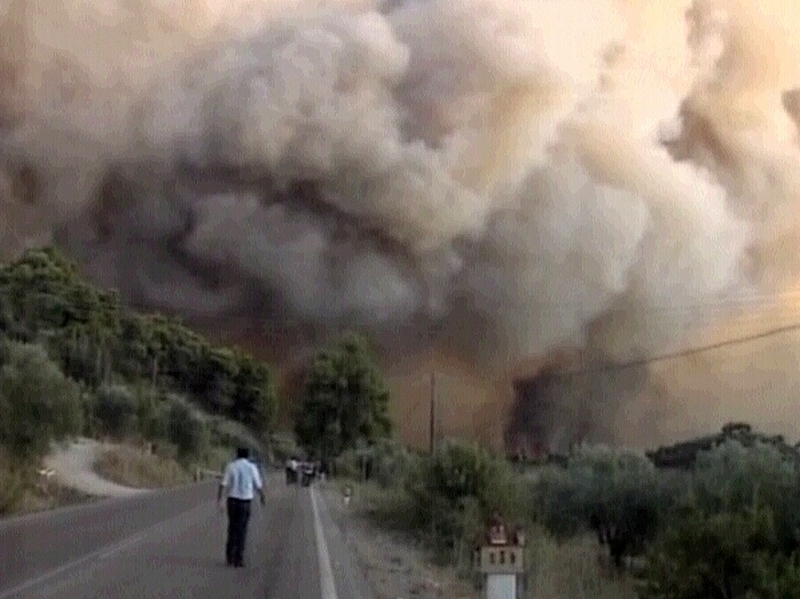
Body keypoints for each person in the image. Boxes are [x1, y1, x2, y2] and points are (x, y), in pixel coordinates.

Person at [218, 447, 266, 567]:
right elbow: (258, 485)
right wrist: (262, 497)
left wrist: (220, 499)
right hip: (245, 502)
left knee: (232, 528)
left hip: (233, 500)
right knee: (242, 530)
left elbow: (223, 484)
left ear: (237, 454)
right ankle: (238, 558)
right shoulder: (252, 467)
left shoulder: (231, 466)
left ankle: (229, 556)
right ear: (248, 455)